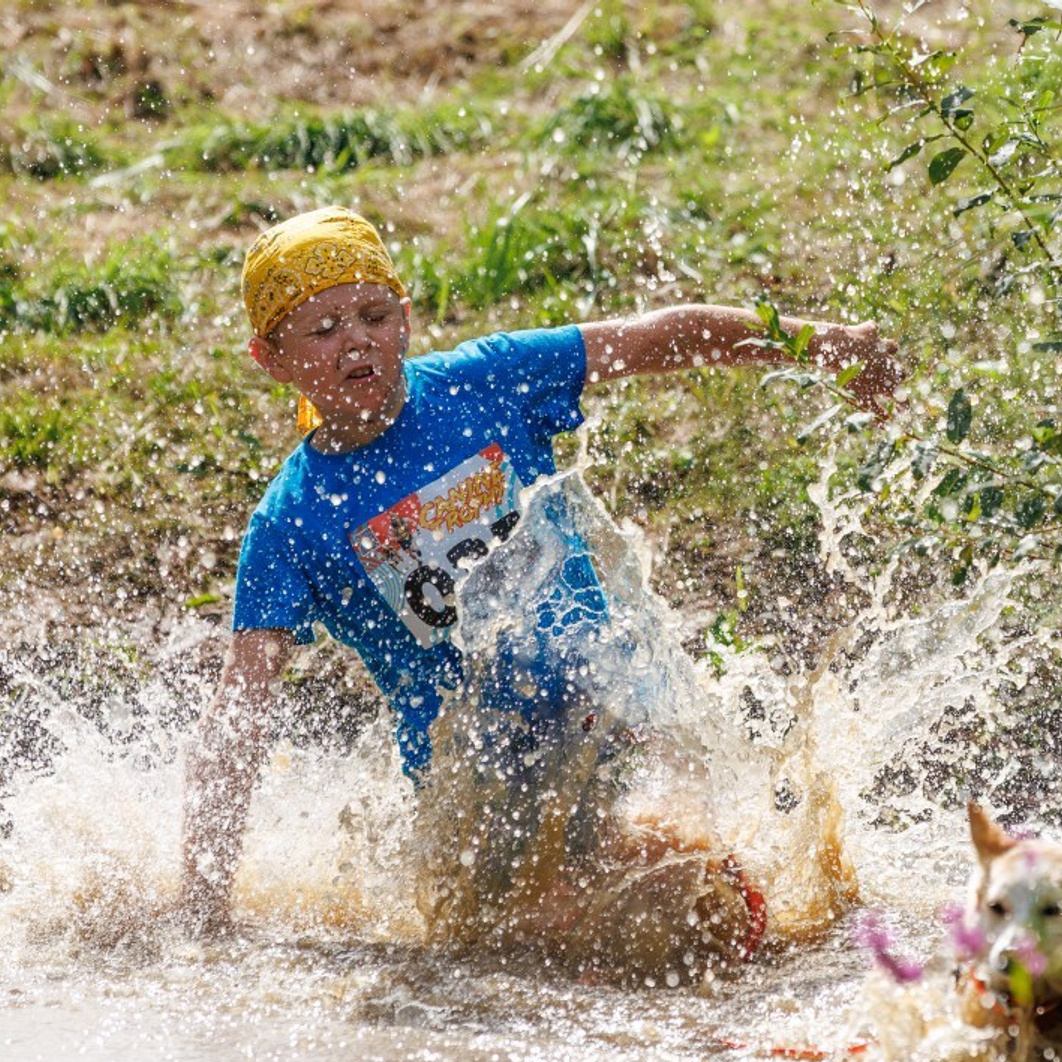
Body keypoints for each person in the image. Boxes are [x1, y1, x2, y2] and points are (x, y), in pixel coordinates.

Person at [180, 205, 901, 938]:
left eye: (372, 315)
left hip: (616, 707)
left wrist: (824, 344)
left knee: (687, 882)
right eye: (324, 328)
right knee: (560, 945)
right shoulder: (290, 523)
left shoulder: (485, 381)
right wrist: (202, 910)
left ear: (406, 318)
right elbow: (239, 709)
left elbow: (659, 338)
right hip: (484, 793)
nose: (356, 340)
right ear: (269, 359)